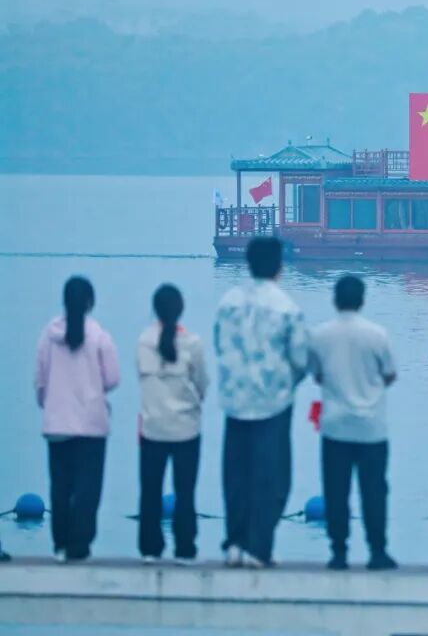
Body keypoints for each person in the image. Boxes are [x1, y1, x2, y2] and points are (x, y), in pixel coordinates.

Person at [214, 237, 308, 568]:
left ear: (248, 263)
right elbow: (300, 359)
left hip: (234, 401)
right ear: (280, 267)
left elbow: (219, 345)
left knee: (235, 476)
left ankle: (234, 544)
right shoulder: (287, 308)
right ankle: (259, 548)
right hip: (273, 404)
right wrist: (287, 384)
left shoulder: (228, 302)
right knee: (272, 478)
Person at [309, 275, 398, 571]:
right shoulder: (378, 335)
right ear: (363, 301)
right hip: (372, 428)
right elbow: (390, 375)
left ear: (335, 300)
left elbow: (316, 375)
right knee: (374, 493)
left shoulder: (320, 335)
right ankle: (378, 552)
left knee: (336, 492)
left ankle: (339, 553)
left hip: (335, 426)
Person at [34, 276, 120, 563]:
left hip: (56, 423)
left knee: (60, 487)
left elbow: (40, 380)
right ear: (90, 302)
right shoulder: (99, 336)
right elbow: (112, 378)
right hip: (91, 425)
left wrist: (48, 403)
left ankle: (60, 544)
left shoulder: (48, 335)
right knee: (87, 489)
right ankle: (80, 546)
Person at [137, 284, 209, 565]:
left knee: (150, 490)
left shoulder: (143, 341)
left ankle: (150, 549)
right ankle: (185, 548)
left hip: (152, 427)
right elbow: (202, 383)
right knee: (185, 491)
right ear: (181, 309)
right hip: (186, 428)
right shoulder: (192, 343)